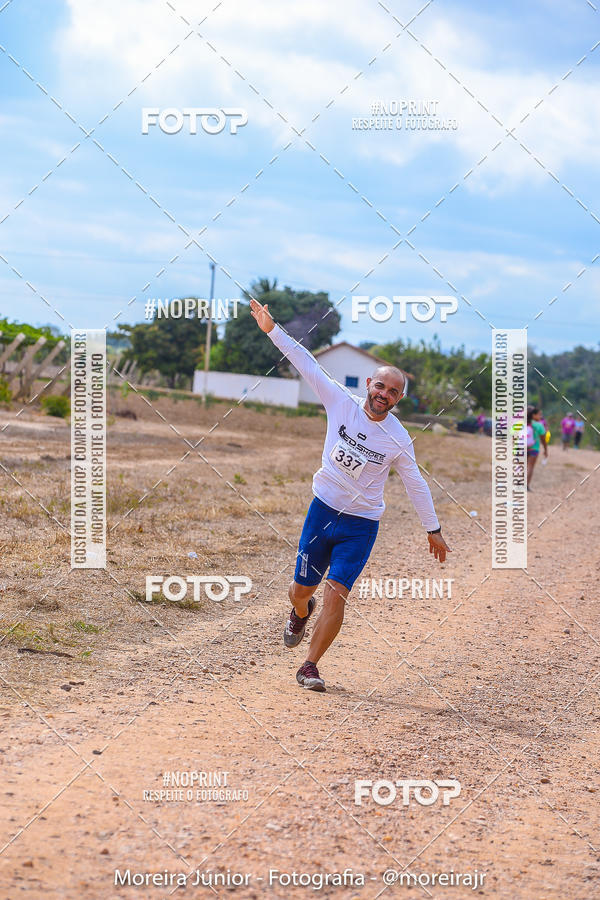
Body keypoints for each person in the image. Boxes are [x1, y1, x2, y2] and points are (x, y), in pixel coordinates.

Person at [250, 298, 450, 692]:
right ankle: (298, 610)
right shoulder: (339, 400)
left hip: (361, 525)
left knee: (336, 595)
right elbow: (305, 359)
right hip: (322, 511)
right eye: (380, 386)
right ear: (369, 386)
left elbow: (416, 482)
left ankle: (310, 666)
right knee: (300, 591)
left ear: (398, 399)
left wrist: (433, 528)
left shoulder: (398, 438)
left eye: (393, 391)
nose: (384, 394)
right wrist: (272, 328)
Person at [526, 406, 548, 489]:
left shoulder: (521, 423)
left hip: (521, 448)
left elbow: (512, 433)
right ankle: (526, 485)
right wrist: (546, 450)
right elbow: (543, 440)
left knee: (521, 466)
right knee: (530, 467)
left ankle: (518, 483)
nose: (540, 416)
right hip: (534, 448)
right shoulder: (539, 425)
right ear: (533, 415)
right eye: (539, 414)